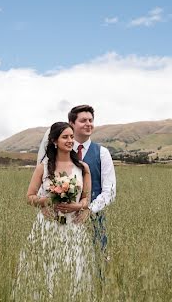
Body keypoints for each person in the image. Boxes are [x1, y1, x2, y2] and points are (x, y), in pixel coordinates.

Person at [15, 122, 94, 299]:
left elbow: (86, 199)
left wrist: (77, 206)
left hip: (74, 227)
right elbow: (29, 197)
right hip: (48, 226)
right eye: (65, 137)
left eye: (72, 137)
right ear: (54, 141)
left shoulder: (83, 168)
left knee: (73, 268)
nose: (70, 140)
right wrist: (47, 201)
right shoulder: (43, 168)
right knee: (46, 269)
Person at [36, 105, 116, 254]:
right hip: (56, 220)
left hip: (92, 220)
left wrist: (87, 210)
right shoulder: (56, 154)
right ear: (71, 124)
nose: (88, 124)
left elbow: (110, 192)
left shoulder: (102, 153)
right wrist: (44, 204)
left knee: (95, 265)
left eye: (91, 120)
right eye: (83, 120)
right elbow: (44, 184)